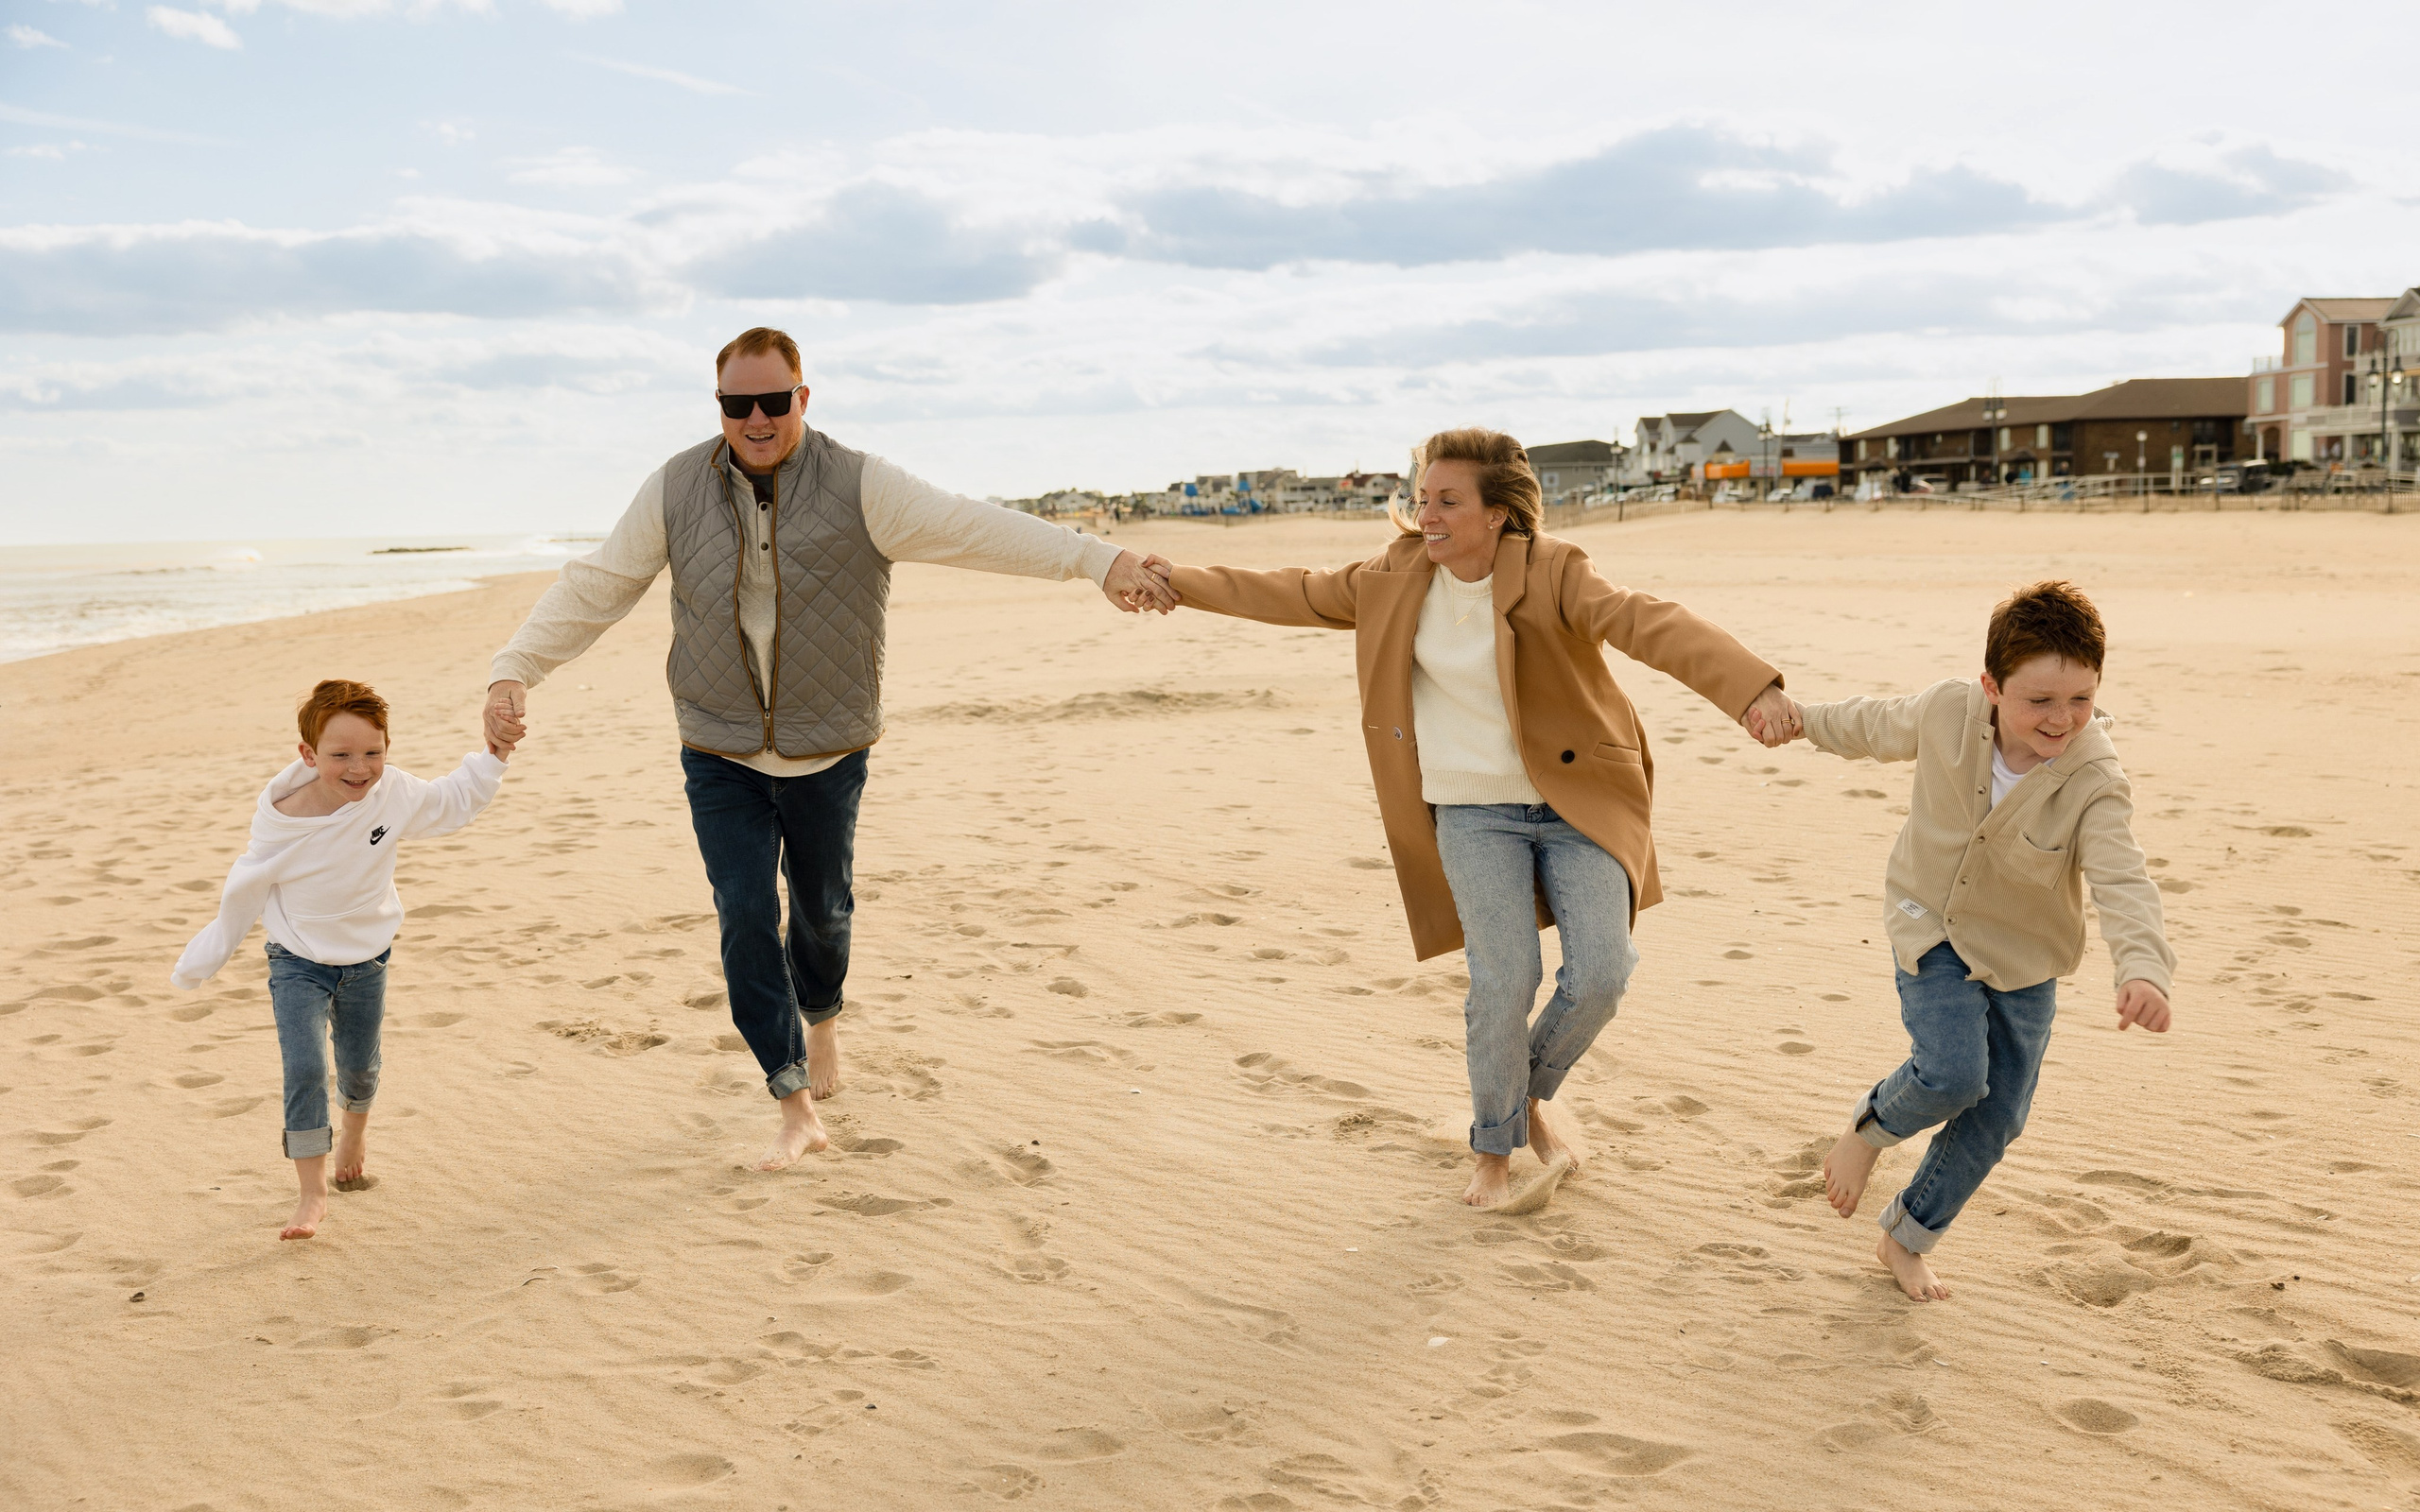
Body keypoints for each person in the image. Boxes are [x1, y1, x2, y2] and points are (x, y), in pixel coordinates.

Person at [483, 327, 1176, 1173]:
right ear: (719, 407)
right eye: (739, 404)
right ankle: (793, 1101)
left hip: (829, 750)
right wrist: (515, 669)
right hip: (720, 748)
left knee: (821, 912)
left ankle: (823, 1022)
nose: (757, 419)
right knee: (744, 915)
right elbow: (600, 583)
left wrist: (1098, 560)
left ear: (802, 398)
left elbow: (973, 527)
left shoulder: (860, 485)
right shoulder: (676, 487)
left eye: (774, 401)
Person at [1145, 428, 1800, 1208]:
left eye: (1449, 501)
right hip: (1470, 811)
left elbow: (1647, 621)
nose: (1428, 514)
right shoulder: (1392, 577)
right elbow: (1292, 591)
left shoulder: (1554, 570)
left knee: (1603, 974)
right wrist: (1175, 580)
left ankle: (1523, 1098)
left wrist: (1750, 689)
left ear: (1497, 514)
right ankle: (1493, 1148)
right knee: (1504, 979)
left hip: (1578, 800)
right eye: (1423, 497)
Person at [1779, 580, 2176, 1300]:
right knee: (1955, 1073)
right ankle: (1868, 1130)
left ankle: (1906, 1237)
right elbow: (1870, 725)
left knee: (1998, 1117)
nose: (2062, 718)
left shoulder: (2094, 777)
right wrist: (1801, 719)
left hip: (2025, 957)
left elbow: (2123, 878)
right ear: (1991, 686)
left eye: (2081, 699)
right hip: (1930, 920)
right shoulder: (1947, 712)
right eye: (2040, 700)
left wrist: (2143, 968)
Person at [171, 679, 511, 1241]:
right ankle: (312, 1193)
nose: (359, 768)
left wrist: (494, 754)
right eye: (341, 756)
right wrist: (207, 955)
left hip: (367, 959)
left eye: (373, 752)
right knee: (305, 1069)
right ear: (308, 755)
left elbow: (452, 802)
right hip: (297, 959)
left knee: (359, 1066)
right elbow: (245, 888)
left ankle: (354, 1131)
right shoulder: (283, 819)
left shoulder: (392, 792)